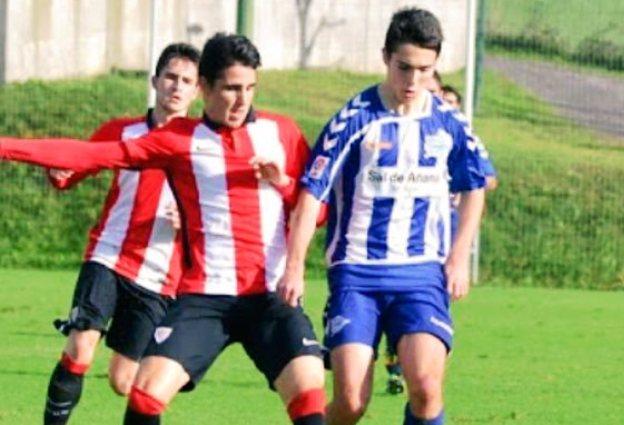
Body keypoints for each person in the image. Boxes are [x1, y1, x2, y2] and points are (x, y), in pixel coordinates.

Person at [0, 32, 326, 425]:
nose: (242, 100)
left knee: (309, 393)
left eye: (250, 88)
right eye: (231, 89)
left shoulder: (282, 133)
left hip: (270, 296)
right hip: (205, 298)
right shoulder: (176, 140)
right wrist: (7, 146)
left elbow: (318, 212)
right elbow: (90, 155)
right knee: (143, 394)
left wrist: (283, 183)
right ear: (205, 88)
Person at [278, 8, 486, 425]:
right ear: (385, 57)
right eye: (403, 67)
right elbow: (309, 196)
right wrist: (295, 267)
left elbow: (476, 185)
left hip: (421, 273)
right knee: (352, 401)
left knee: (426, 388)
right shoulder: (353, 119)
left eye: (424, 70)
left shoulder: (449, 122)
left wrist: (459, 256)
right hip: (357, 272)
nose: (413, 81)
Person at [39, 42, 200, 425]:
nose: (176, 87)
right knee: (80, 347)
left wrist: (191, 222)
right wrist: (59, 173)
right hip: (109, 256)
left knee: (126, 381)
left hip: (160, 277)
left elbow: (226, 213)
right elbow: (75, 166)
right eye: (170, 77)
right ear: (155, 81)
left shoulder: (203, 147)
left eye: (187, 81)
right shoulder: (121, 131)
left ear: (198, 91)